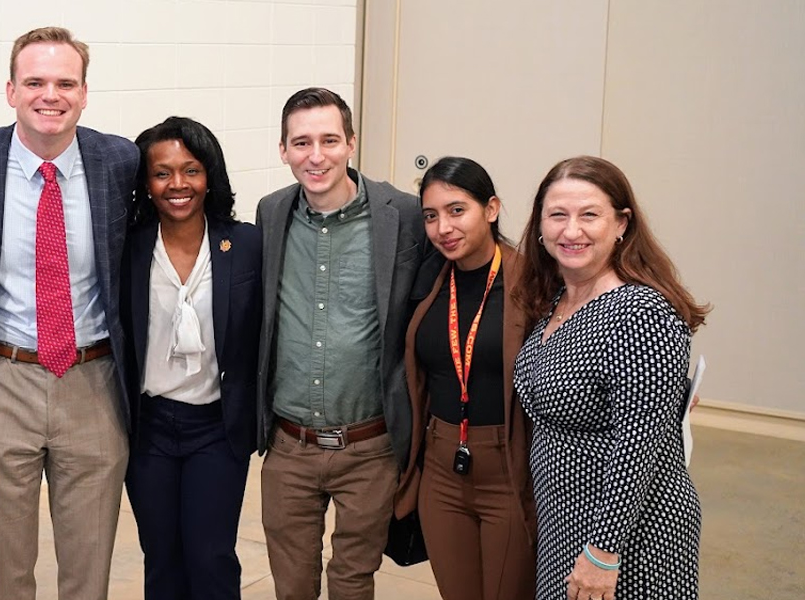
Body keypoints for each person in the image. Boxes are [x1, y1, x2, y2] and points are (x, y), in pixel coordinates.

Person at [0, 26, 140, 600]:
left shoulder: (119, 161)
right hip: (1, 379)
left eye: (65, 82)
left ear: (85, 92)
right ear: (11, 90)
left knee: (89, 564)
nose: (51, 95)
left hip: (92, 381)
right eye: (36, 82)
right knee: (7, 564)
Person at [254, 86, 427, 600]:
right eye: (301, 142)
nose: (316, 155)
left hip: (370, 446)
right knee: (292, 585)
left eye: (329, 139)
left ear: (351, 143)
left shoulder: (406, 215)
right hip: (289, 446)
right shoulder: (271, 213)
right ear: (283, 150)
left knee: (353, 581)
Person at [512, 156, 708, 600]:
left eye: (589, 215)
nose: (571, 230)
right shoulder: (560, 299)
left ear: (622, 224)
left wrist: (602, 552)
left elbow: (637, 445)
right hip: (565, 522)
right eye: (557, 215)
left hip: (629, 537)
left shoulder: (640, 312)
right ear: (540, 226)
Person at [119, 116, 262, 600]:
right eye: (162, 173)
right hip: (149, 428)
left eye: (191, 170)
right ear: (145, 182)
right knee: (161, 556)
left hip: (217, 428)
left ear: (210, 176)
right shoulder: (128, 249)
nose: (177, 184)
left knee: (211, 556)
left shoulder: (244, 245)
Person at [392, 157, 536, 600]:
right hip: (440, 469)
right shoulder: (428, 280)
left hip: (508, 469)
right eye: (431, 216)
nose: (443, 228)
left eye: (457, 210)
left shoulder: (532, 283)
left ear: (491, 209)